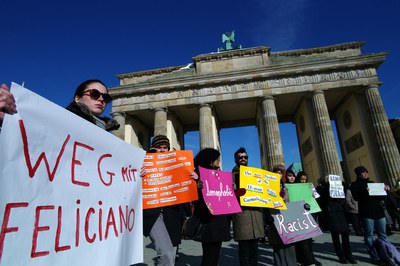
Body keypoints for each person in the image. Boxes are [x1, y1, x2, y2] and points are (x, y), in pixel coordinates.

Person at [143, 135, 197, 266]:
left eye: (165, 148)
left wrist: (195, 179)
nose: (162, 150)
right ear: (153, 148)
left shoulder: (176, 164)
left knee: (172, 255)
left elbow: (188, 189)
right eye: (158, 147)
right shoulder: (144, 162)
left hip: (172, 213)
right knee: (166, 253)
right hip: (153, 214)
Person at [193, 148, 231, 266]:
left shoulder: (219, 175)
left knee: (214, 256)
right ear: (210, 160)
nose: (219, 161)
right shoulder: (200, 176)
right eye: (217, 158)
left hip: (219, 222)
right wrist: (197, 183)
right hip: (209, 222)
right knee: (210, 257)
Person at [351, 165, 390, 265]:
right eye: (363, 172)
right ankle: (375, 257)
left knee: (383, 235)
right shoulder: (354, 185)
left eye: (366, 172)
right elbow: (356, 197)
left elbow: (380, 198)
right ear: (358, 175)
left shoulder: (373, 183)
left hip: (379, 212)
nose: (365, 173)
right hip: (366, 213)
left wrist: (385, 191)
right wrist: (365, 191)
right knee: (369, 236)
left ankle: (385, 255)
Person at [231, 147, 264, 266]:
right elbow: (228, 196)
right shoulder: (232, 175)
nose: (243, 159)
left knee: (255, 250)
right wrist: (235, 192)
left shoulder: (256, 174)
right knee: (244, 250)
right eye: (240, 157)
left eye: (245, 157)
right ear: (236, 159)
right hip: (242, 215)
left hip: (255, 215)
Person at [319, 176, 357, 264]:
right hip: (331, 212)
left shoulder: (340, 186)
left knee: (345, 235)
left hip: (342, 211)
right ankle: (341, 255)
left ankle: (349, 255)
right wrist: (325, 184)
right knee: (335, 236)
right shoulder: (323, 188)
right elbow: (321, 199)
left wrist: (340, 182)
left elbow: (346, 189)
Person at [265, 164, 297, 266]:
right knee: (278, 248)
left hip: (288, 220)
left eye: (280, 173)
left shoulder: (287, 187)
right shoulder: (267, 187)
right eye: (276, 172)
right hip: (274, 220)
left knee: (290, 247)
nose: (278, 174)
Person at [293, 171, 321, 266]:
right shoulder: (294, 188)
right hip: (299, 215)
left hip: (310, 213)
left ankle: (310, 258)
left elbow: (318, 198)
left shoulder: (310, 187)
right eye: (301, 180)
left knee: (309, 239)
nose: (303, 182)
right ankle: (308, 260)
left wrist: (315, 196)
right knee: (303, 240)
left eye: (305, 180)